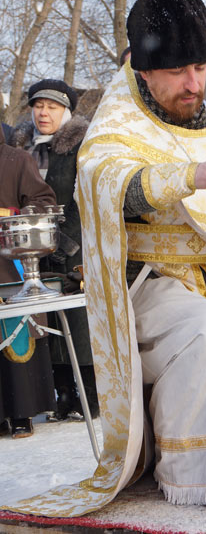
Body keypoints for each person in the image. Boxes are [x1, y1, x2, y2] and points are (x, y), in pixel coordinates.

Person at [3, 0, 206, 515]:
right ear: (145, 70)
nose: (194, 83)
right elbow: (107, 182)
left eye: (200, 67)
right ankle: (204, 481)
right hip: (148, 282)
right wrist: (188, 176)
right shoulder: (119, 115)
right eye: (178, 71)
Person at [11, 79, 96, 418]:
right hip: (32, 249)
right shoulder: (21, 148)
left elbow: (84, 195)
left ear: (67, 111)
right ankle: (62, 394)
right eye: (38, 106)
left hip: (74, 249)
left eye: (52, 107)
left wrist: (65, 241)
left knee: (79, 322)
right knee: (45, 323)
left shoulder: (82, 144)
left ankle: (90, 394)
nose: (43, 113)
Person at [0, 127, 57, 439]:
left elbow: (44, 200)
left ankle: (22, 413)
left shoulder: (17, 159)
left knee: (15, 333)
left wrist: (13, 217)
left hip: (9, 265)